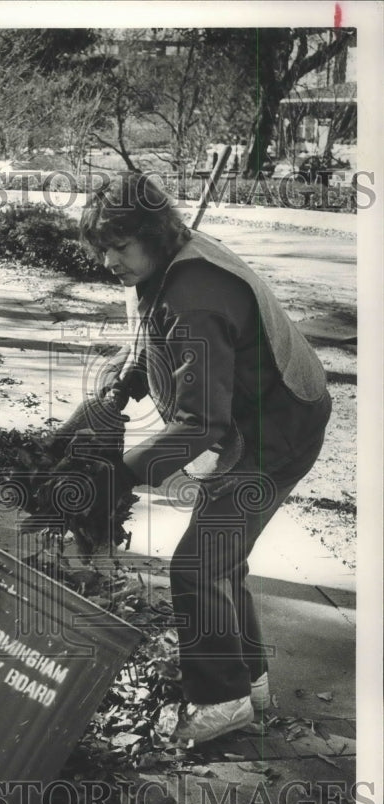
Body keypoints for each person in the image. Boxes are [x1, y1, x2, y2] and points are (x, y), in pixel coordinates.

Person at [66, 171, 331, 745]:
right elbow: (160, 343)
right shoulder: (163, 270)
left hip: (275, 430)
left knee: (198, 565)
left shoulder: (195, 294)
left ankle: (222, 699)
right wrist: (131, 378)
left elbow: (201, 423)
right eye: (102, 248)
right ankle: (251, 679)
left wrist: (122, 473)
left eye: (120, 246)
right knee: (224, 557)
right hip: (256, 419)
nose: (110, 260)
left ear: (154, 234)